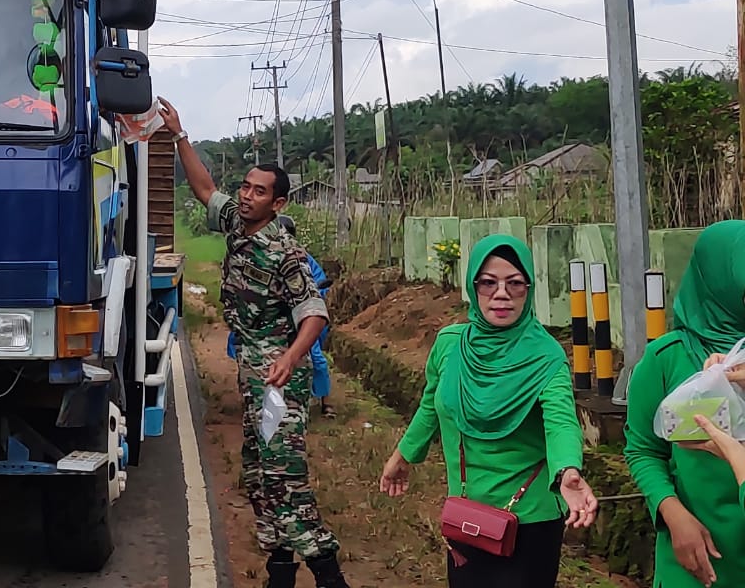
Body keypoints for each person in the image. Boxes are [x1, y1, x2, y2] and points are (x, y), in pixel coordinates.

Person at [156, 97, 349, 588]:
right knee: (260, 472)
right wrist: (180, 134)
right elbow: (204, 189)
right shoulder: (238, 226)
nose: (245, 196)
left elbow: (314, 312)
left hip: (280, 376)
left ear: (277, 203)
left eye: (258, 191)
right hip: (253, 370)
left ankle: (330, 575)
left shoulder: (286, 253)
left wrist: (289, 357)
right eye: (245, 186)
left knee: (284, 475)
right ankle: (280, 572)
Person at [379, 234, 598, 588]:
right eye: (488, 283)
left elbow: (561, 421)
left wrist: (567, 470)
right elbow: (431, 406)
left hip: (530, 521)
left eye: (515, 284)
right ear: (472, 286)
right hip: (466, 514)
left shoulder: (546, 356)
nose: (501, 294)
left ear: (529, 289)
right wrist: (403, 455)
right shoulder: (450, 346)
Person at [624, 220, 745, 588]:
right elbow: (643, 449)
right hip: (694, 560)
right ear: (716, 280)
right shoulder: (666, 359)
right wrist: (672, 513)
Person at [228, 214, 337, 417]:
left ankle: (325, 402)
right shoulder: (258, 255)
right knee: (246, 353)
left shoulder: (301, 259)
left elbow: (318, 287)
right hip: (268, 323)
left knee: (316, 359)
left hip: (299, 323)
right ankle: (251, 400)